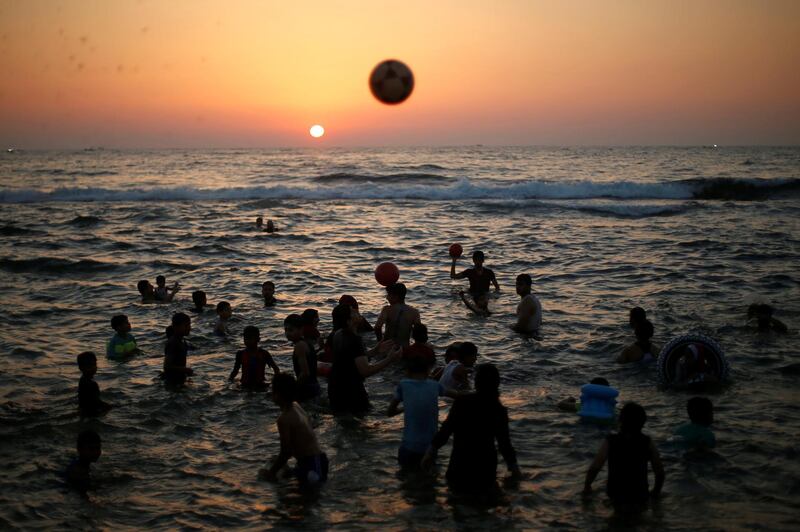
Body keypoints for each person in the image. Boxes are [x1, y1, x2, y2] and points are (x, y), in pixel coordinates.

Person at [422, 364, 521, 492]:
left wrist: (430, 452)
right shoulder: (498, 409)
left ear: (476, 382)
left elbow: (445, 431)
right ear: (497, 384)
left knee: (457, 505)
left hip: (459, 465)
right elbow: (504, 444)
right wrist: (514, 468)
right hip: (485, 470)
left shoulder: (462, 402)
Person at [583, 402, 665, 510]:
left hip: (616, 493)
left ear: (620, 420)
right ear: (643, 422)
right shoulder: (647, 442)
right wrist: (656, 491)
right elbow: (659, 471)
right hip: (639, 494)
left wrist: (587, 486)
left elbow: (596, 467)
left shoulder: (611, 441)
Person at [387, 354, 457, 470]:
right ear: (428, 371)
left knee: (406, 481)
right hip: (429, 449)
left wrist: (404, 408)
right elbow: (457, 395)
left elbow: (390, 412)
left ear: (407, 372)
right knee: (429, 482)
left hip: (408, 447)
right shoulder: (435, 385)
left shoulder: (403, 385)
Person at [329, 303, 402, 414]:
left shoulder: (339, 334)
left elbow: (350, 358)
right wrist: (389, 359)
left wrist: (375, 350)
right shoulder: (355, 339)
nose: (356, 311)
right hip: (351, 391)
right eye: (353, 311)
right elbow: (365, 371)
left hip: (336, 387)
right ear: (349, 321)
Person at [260, 374, 328, 488]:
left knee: (298, 501)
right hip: (318, 460)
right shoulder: (296, 406)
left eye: (273, 390)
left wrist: (271, 473)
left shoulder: (284, 419)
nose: (271, 394)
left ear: (278, 395)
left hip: (311, 466)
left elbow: (286, 452)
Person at [285, 314, 320, 401]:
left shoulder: (299, 346)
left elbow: (305, 373)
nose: (287, 333)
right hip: (314, 385)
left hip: (307, 388)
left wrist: (294, 388)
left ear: (301, 329)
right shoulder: (306, 343)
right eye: (286, 330)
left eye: (291, 330)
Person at [375, 283, 421, 347]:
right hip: (405, 348)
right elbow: (419, 333)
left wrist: (380, 343)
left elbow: (377, 327)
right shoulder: (414, 312)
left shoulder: (387, 309)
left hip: (388, 347)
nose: (387, 298)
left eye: (388, 295)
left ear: (395, 297)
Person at [77, 351, 111, 416]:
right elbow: (97, 402)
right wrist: (108, 407)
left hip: (83, 410)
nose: (93, 368)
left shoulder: (82, 380)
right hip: (91, 412)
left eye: (94, 364)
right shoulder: (92, 384)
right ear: (81, 368)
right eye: (89, 366)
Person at [163, 313, 193, 386]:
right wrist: (185, 370)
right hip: (172, 381)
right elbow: (167, 367)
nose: (189, 328)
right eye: (186, 326)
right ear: (176, 327)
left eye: (189, 325)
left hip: (179, 378)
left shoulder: (182, 341)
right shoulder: (173, 343)